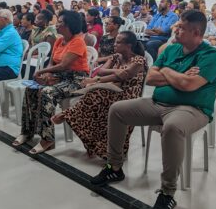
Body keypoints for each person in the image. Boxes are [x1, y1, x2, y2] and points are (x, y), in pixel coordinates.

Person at [90, 10, 216, 209]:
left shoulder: (210, 56)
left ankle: (167, 193)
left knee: (172, 127)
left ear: (196, 32)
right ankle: (114, 167)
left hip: (192, 109)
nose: (175, 29)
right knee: (117, 110)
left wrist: (167, 72)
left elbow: (189, 85)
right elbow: (150, 78)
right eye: (176, 25)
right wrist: (177, 75)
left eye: (181, 27)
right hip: (158, 102)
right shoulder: (172, 49)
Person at [51, 31, 147, 159]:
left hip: (128, 95)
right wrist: (117, 71)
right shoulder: (117, 57)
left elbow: (126, 75)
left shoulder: (139, 60)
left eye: (118, 42)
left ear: (128, 45)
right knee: (94, 96)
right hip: (112, 90)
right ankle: (92, 143)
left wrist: (97, 80)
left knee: (96, 94)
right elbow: (101, 71)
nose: (115, 44)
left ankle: (68, 114)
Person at [13, 10, 89, 154]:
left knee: (47, 92)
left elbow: (64, 65)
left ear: (69, 25)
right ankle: (27, 131)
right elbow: (52, 63)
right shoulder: (60, 41)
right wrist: (47, 74)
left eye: (60, 22)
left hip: (77, 80)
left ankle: (47, 139)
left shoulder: (78, 41)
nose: (57, 24)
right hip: (60, 77)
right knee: (31, 88)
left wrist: (40, 72)